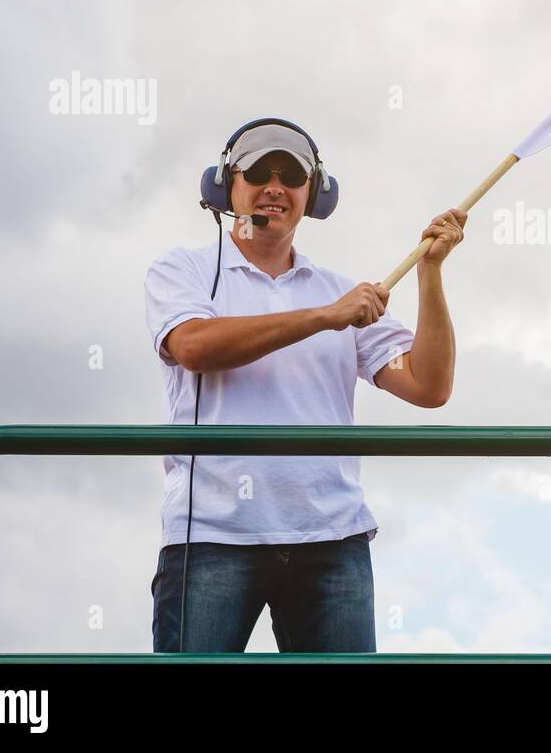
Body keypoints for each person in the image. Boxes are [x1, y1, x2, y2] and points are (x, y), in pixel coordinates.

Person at [143, 119, 465, 652]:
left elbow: (429, 386)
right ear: (226, 185)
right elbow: (194, 348)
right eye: (258, 172)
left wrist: (430, 273)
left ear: (313, 195)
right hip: (212, 537)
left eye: (291, 175)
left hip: (332, 539)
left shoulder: (342, 292)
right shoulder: (183, 269)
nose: (275, 186)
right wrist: (324, 317)